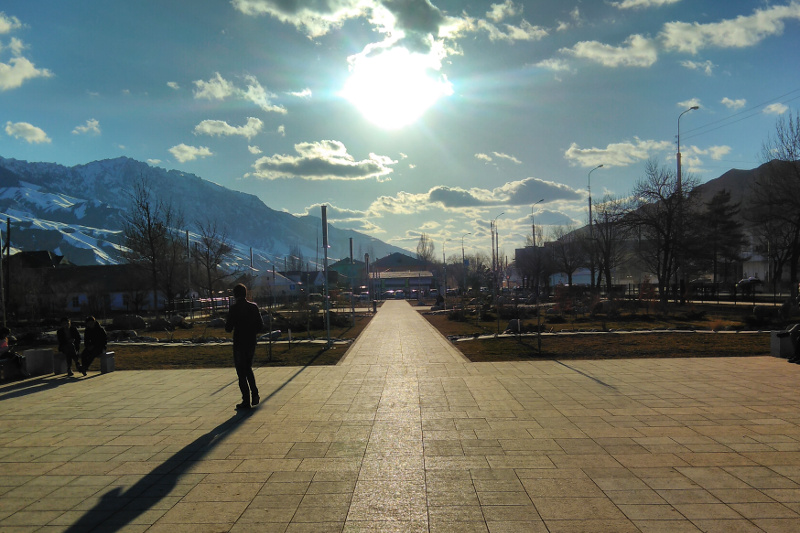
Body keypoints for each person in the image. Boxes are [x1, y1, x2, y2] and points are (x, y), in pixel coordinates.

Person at [225, 283, 263, 410]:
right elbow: (260, 326)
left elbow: (228, 329)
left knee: (241, 372)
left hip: (239, 344)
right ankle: (255, 394)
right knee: (248, 368)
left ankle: (246, 400)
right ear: (245, 293)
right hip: (251, 342)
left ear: (235, 295)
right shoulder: (253, 307)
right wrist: (251, 332)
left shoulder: (234, 309)